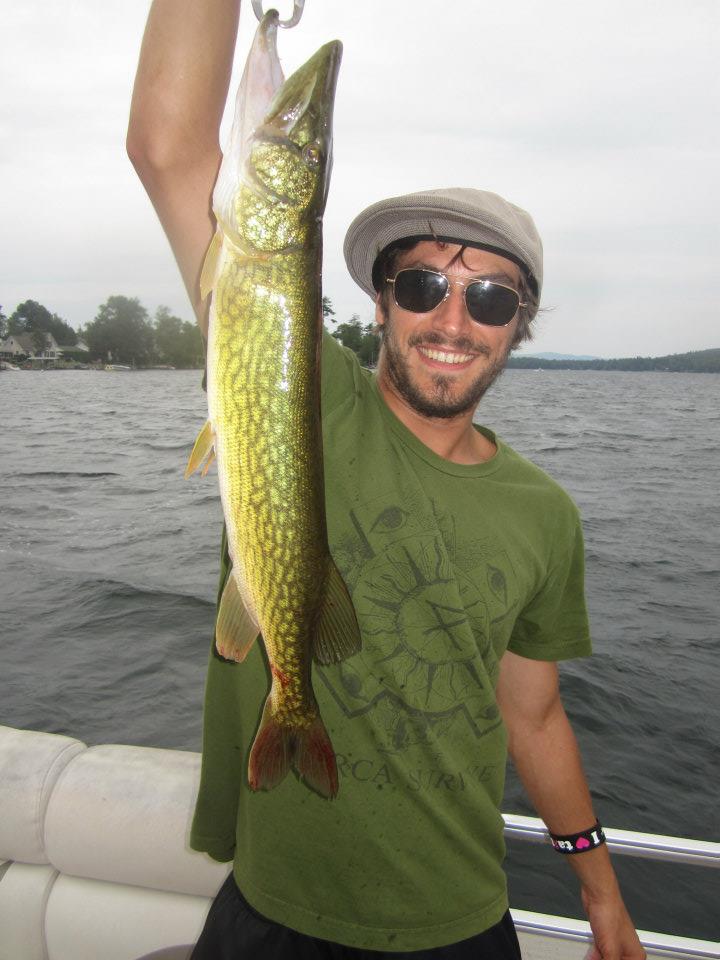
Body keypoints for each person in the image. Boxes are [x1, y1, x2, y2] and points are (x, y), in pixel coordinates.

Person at [127, 3, 646, 958]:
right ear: (380, 302)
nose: (453, 317)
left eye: (490, 296)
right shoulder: (304, 386)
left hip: (461, 921)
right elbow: (165, 146)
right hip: (274, 911)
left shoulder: (546, 515)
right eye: (421, 285)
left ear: (518, 324)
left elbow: (533, 716)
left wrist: (602, 894)